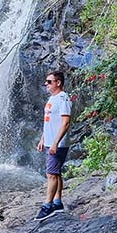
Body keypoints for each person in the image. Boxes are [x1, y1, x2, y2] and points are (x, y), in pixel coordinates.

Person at [36, 70, 71, 220]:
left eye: (49, 82)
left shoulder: (63, 99)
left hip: (58, 143)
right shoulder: (52, 98)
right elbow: (49, 121)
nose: (46, 84)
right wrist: (43, 139)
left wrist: (56, 142)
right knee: (55, 172)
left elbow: (65, 122)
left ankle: (47, 206)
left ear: (58, 83)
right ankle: (57, 202)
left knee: (51, 174)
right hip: (50, 142)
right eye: (46, 82)